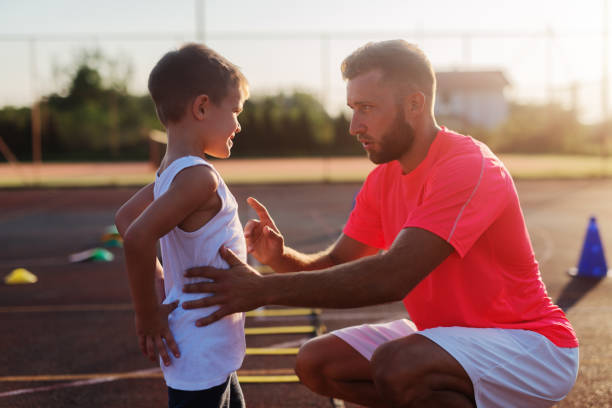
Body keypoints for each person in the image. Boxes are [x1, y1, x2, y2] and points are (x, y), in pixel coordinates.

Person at [181, 40, 579, 407]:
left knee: (399, 365)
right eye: (353, 108)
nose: (355, 126)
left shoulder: (468, 166)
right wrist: (280, 258)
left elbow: (393, 276)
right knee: (318, 361)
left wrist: (262, 290)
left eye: (367, 108)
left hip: (530, 343)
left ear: (415, 104)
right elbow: (336, 264)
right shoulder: (383, 180)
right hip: (445, 337)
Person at [115, 43, 249, 408]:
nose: (238, 124)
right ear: (202, 107)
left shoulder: (169, 175)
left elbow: (125, 219)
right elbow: (137, 237)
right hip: (200, 344)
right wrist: (146, 315)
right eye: (235, 111)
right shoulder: (197, 179)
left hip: (208, 341)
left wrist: (163, 282)